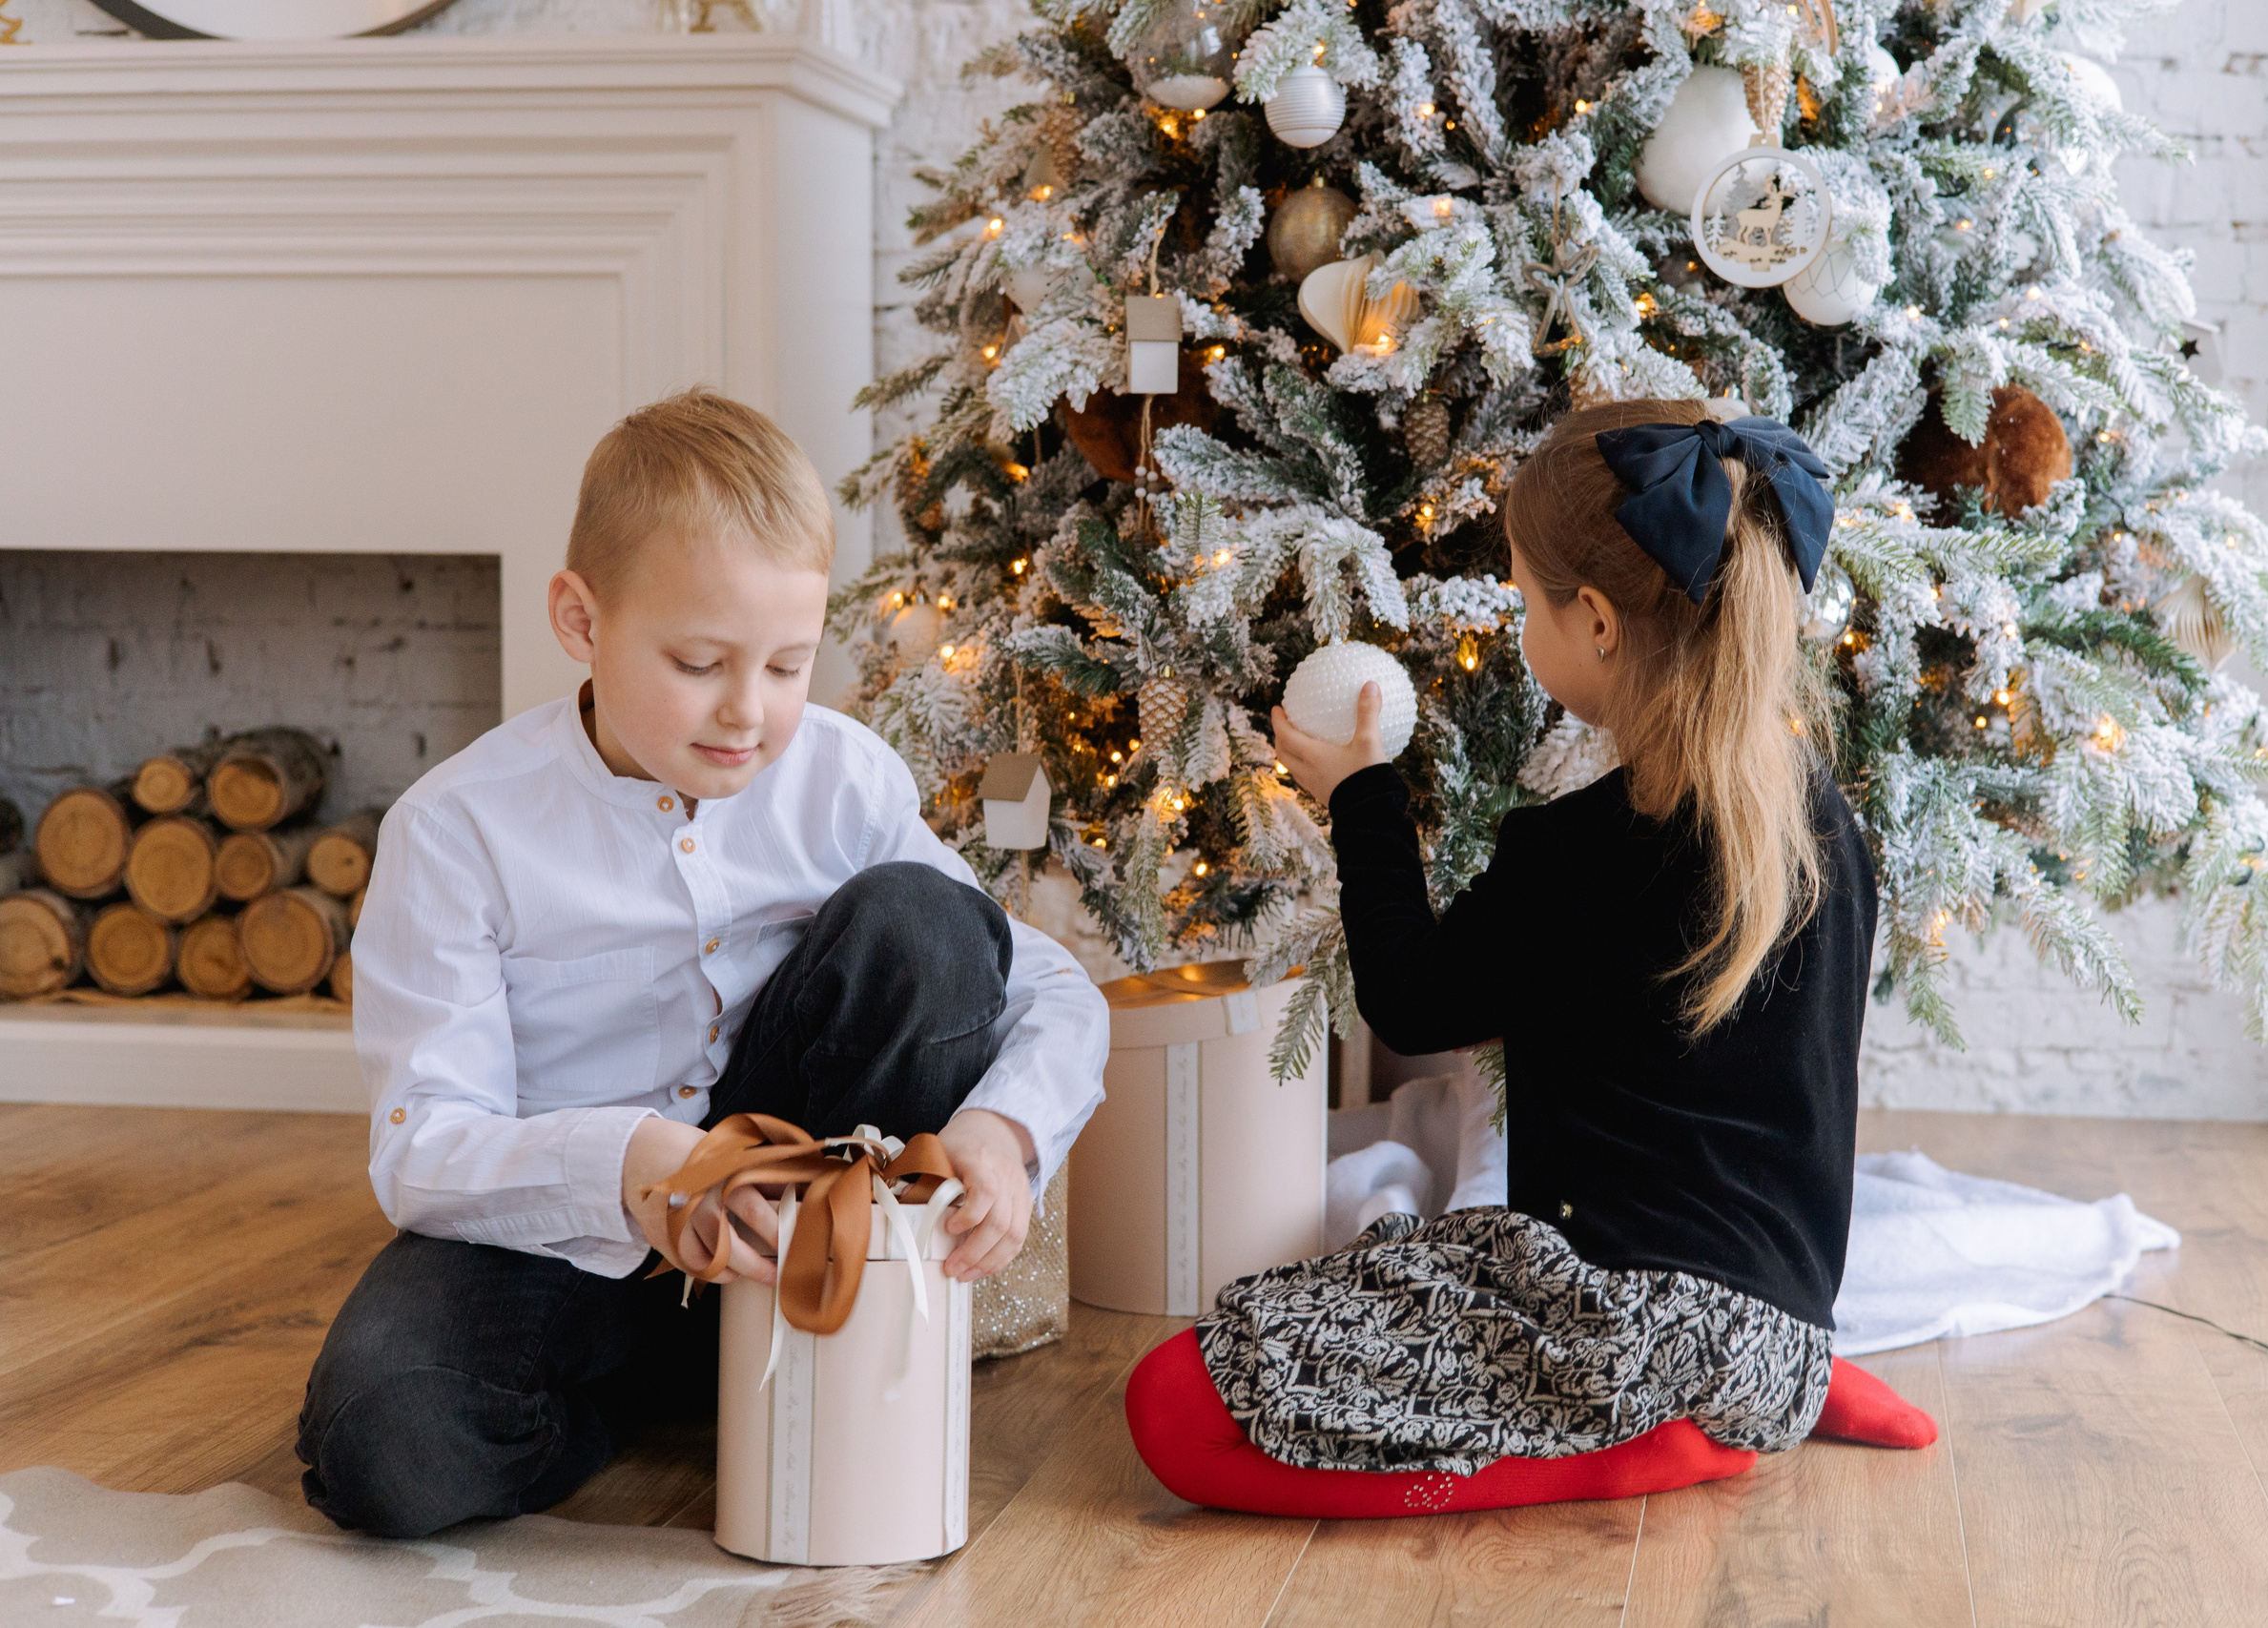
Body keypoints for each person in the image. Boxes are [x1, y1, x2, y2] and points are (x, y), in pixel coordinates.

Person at [297, 389, 1107, 1538]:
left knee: (923, 922)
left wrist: (1005, 1134)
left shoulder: (843, 779)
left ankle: (803, 1337)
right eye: (699, 661)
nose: (749, 712)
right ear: (579, 619)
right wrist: (640, 1167)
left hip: (802, 1205)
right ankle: (650, 1388)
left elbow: (1049, 988)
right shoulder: (457, 830)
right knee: (381, 1447)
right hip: (571, 1237)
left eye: (788, 665)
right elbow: (424, 1145)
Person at [1124, 400, 1933, 1519]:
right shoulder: (1823, 824)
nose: (1517, 624)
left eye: (1520, 599)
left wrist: (1360, 798)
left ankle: (1655, 1449)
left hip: (1621, 1328)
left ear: (1595, 621)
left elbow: (1412, 1002)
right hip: (1780, 1333)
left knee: (1171, 1405)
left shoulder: (1581, 855)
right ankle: (1783, 1393)